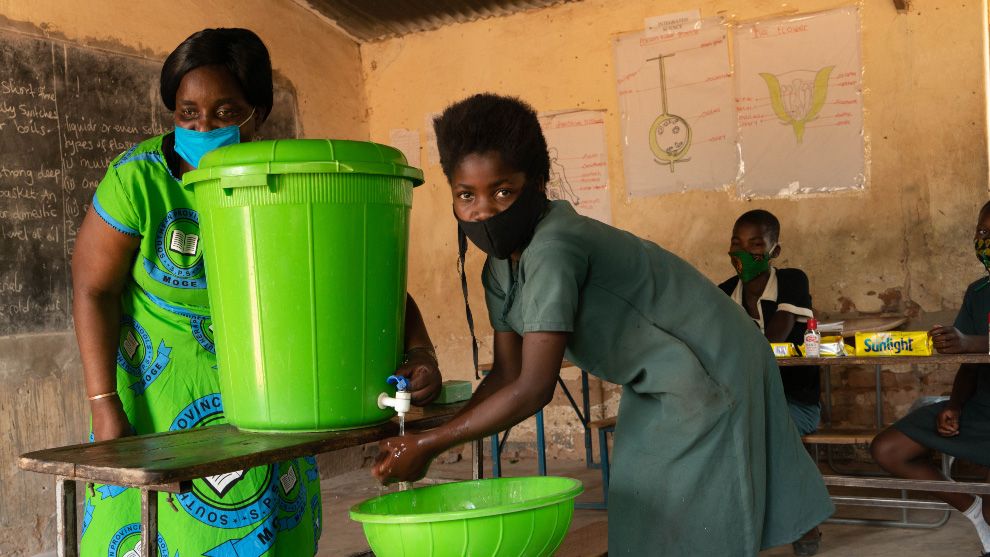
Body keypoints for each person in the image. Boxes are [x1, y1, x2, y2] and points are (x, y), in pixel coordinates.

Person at [371, 93, 833, 555]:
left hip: (712, 360)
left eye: (503, 191)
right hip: (660, 374)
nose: (484, 211)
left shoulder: (555, 246)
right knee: (642, 490)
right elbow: (506, 374)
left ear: (538, 183)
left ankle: (782, 537)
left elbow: (533, 387)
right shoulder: (498, 269)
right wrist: (424, 438)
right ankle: (790, 535)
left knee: (697, 509)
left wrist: (430, 444)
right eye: (466, 195)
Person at [71, 28, 440, 555]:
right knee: (161, 532)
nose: (203, 127)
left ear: (257, 114)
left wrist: (420, 350)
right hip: (156, 396)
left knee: (263, 532)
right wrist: (104, 404)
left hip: (267, 397)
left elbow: (357, 278)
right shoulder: (139, 182)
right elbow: (91, 289)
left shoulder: (286, 179)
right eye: (187, 113)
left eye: (224, 113)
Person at [871, 201, 990, 557]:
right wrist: (954, 405)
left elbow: (971, 345)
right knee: (888, 449)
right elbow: (969, 363)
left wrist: (970, 342)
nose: (984, 241)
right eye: (981, 233)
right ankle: (974, 510)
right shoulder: (979, 292)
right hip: (980, 407)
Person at [718, 210, 823, 555]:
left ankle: (806, 523)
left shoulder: (792, 280)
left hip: (796, 403)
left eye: (756, 245)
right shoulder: (722, 294)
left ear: (775, 251)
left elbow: (779, 329)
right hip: (746, 400)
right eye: (737, 244)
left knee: (769, 431)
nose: (744, 253)